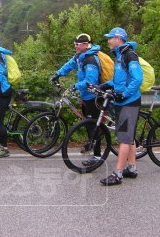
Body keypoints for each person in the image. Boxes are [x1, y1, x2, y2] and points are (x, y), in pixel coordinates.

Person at [98, 27, 143, 186]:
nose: (108, 41)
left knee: (124, 138)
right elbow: (119, 80)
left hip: (129, 102)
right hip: (121, 101)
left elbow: (137, 79)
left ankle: (117, 174)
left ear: (119, 38)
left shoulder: (129, 55)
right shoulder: (119, 56)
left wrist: (123, 94)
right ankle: (132, 168)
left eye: (111, 38)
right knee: (128, 137)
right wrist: (104, 85)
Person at [49, 33, 102, 165]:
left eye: (77, 45)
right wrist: (57, 74)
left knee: (93, 125)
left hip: (93, 97)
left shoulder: (90, 60)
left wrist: (74, 86)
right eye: (74, 44)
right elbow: (69, 65)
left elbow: (91, 81)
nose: (75, 47)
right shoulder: (80, 56)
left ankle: (97, 156)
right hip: (86, 96)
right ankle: (91, 143)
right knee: (89, 123)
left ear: (85, 45)